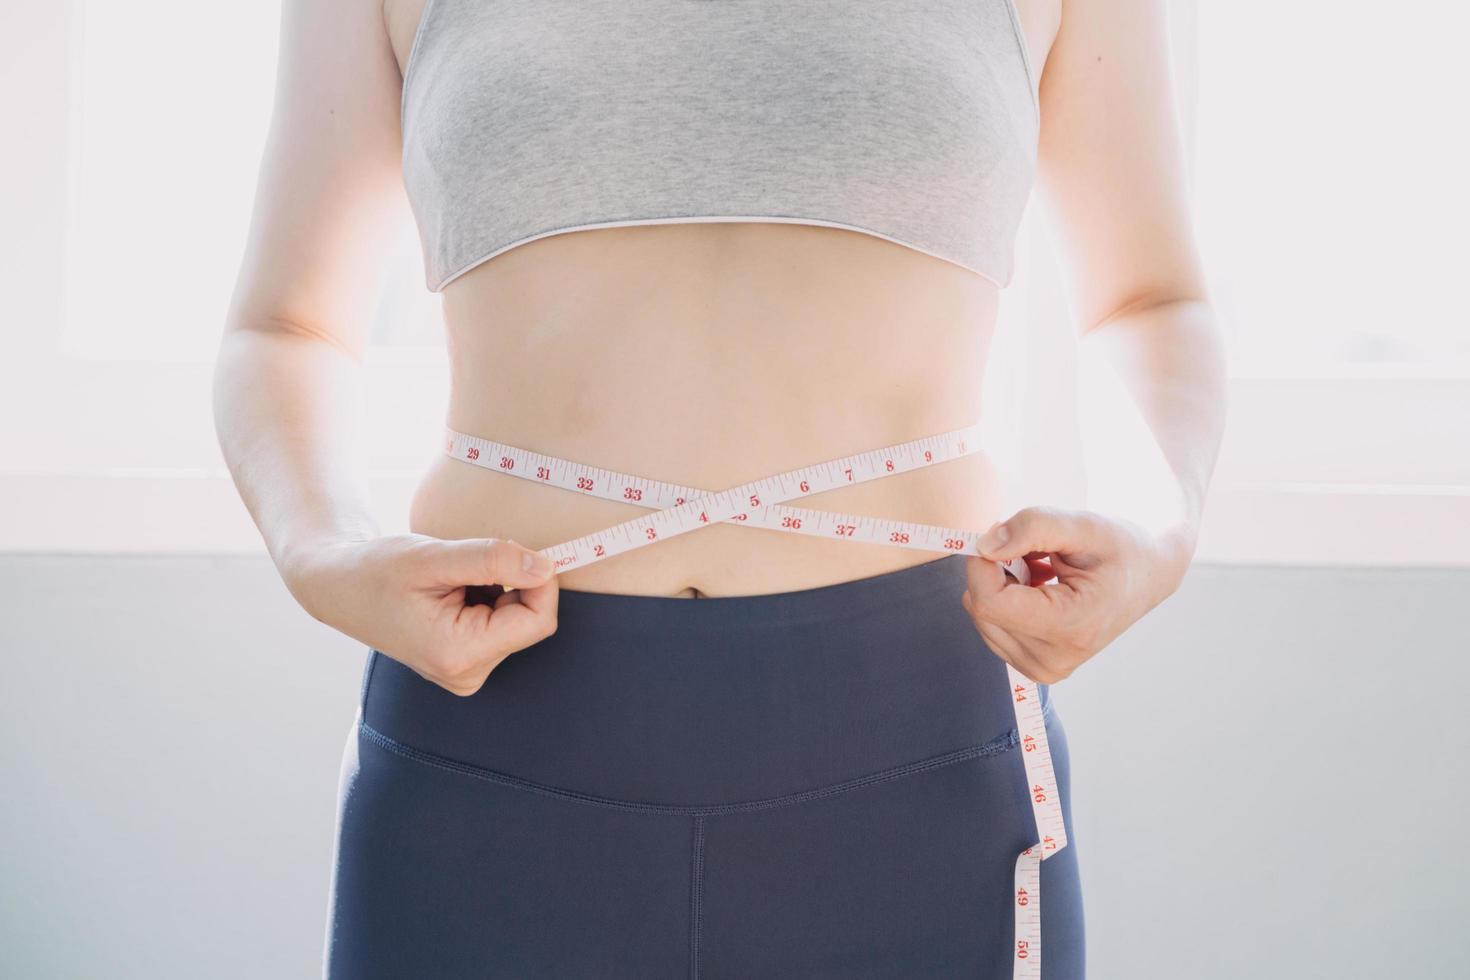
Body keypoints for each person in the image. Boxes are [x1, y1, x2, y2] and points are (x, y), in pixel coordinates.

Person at [213, 0, 1227, 975]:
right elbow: (287, 325)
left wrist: (1158, 526)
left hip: (922, 744)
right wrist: (325, 550)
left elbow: (1148, 297)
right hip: (497, 726)